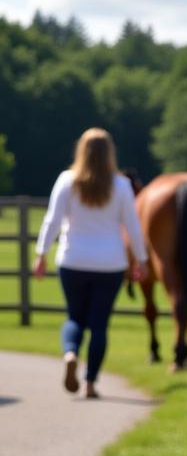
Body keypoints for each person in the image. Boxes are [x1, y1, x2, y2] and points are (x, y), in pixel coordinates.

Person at [33, 128, 148, 399]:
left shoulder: (67, 181)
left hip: (73, 259)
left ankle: (71, 353)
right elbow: (132, 225)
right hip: (110, 263)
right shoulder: (120, 185)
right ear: (110, 153)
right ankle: (90, 382)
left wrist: (41, 254)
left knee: (74, 316)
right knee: (99, 323)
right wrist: (141, 260)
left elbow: (52, 220)